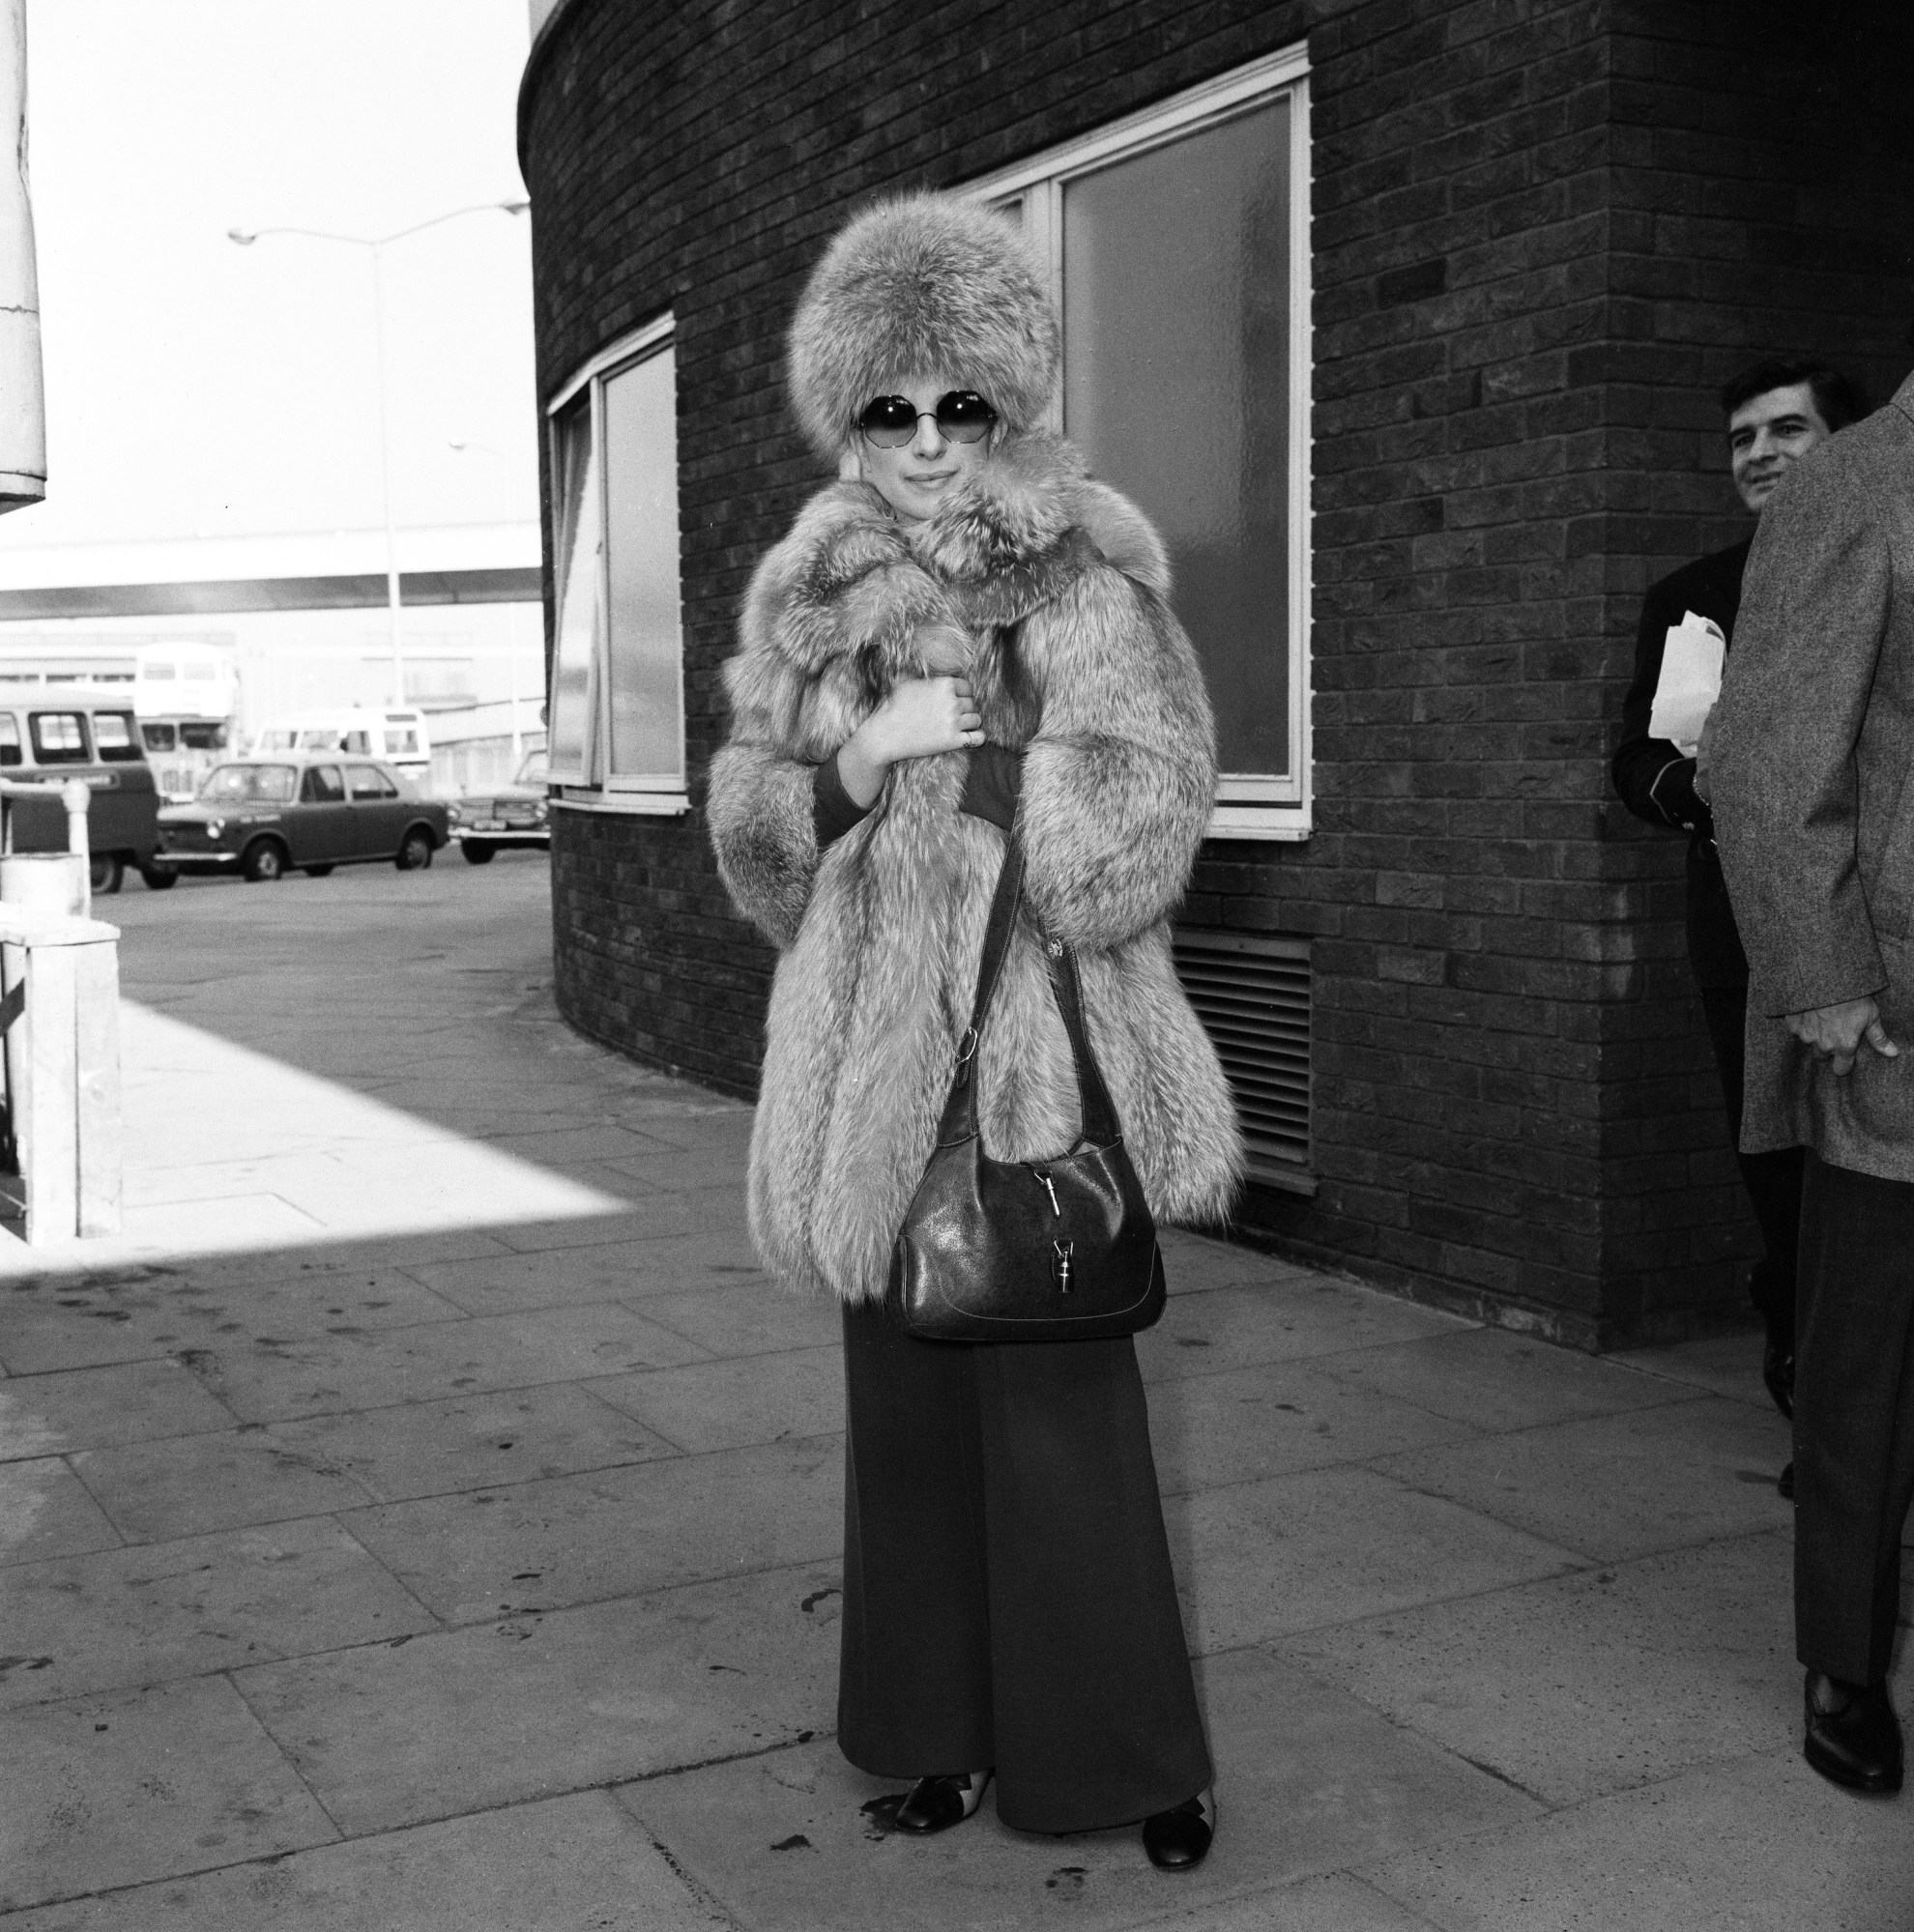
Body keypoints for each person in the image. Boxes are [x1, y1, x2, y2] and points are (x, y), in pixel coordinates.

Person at [708, 195, 1242, 1867]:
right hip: (872, 1056)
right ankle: (936, 1733)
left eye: (959, 406)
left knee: (1065, 1427)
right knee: (909, 1429)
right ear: (846, 418)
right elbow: (747, 831)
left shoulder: (1081, 569)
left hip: (1039, 1047)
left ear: (1003, 405)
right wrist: (851, 774)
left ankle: (1133, 1758)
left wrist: (989, 757)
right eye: (891, 409)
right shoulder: (807, 590)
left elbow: (1155, 802)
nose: (930, 443)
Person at [1708, 364, 1914, 1798]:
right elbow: (1773, 758)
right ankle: (1844, 1653)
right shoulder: (1857, 475)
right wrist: (1826, 974)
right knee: (1870, 1352)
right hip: (1899, 1004)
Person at [1611, 360, 1864, 1468]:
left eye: (1787, 430)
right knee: (1778, 1159)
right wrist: (1699, 784)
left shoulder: (1886, 568)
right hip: (1740, 926)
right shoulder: (1691, 595)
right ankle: (1812, 1363)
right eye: (1741, 439)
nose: (1759, 453)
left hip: (1877, 928)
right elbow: (1633, 761)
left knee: (1870, 1173)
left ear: (1846, 443)